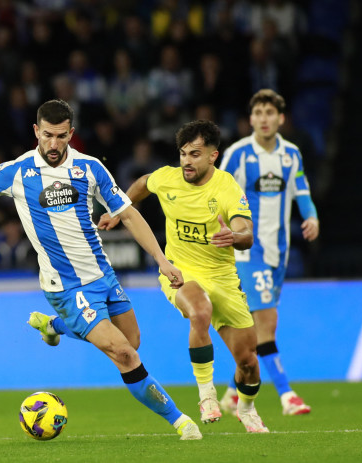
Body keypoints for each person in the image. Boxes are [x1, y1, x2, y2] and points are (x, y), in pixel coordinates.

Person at [0, 99, 203, 440]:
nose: (53, 144)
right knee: (124, 355)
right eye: (48, 136)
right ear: (36, 132)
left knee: (133, 341)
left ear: (72, 133)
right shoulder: (19, 170)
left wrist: (162, 259)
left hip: (102, 275)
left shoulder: (90, 168)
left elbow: (127, 213)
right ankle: (181, 422)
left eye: (61, 136)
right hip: (65, 285)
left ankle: (54, 326)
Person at [98, 119, 270, 433]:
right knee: (199, 310)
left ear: (212, 156)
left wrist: (234, 234)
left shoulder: (227, 187)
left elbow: (247, 232)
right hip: (180, 270)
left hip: (223, 277)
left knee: (248, 362)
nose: (186, 162)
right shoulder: (168, 179)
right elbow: (142, 184)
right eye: (182, 154)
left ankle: (247, 408)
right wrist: (116, 209)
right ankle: (207, 396)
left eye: (194, 154)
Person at [218, 89, 318, 416]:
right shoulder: (238, 154)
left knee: (255, 326)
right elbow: (218, 191)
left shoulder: (291, 155)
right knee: (267, 324)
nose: (264, 118)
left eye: (269, 113)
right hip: (250, 250)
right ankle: (287, 396)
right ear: (251, 119)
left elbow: (301, 191)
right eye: (258, 113)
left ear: (280, 119)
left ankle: (232, 393)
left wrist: (312, 216)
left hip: (279, 251)